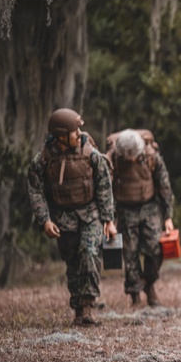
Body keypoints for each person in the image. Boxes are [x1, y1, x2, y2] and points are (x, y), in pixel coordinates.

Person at [27, 108, 117, 326]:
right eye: (74, 130)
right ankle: (77, 307)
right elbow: (35, 190)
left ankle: (89, 306)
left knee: (90, 254)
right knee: (73, 261)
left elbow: (104, 186)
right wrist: (45, 220)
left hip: (91, 214)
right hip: (63, 217)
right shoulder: (45, 158)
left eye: (79, 128)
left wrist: (109, 220)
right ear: (60, 135)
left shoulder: (91, 154)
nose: (79, 133)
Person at [107, 129, 174, 307]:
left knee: (155, 249)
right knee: (130, 253)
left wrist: (168, 217)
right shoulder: (112, 158)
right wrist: (109, 217)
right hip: (125, 209)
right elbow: (106, 189)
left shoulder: (151, 156)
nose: (130, 159)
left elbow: (164, 185)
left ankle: (149, 283)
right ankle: (135, 292)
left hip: (149, 206)